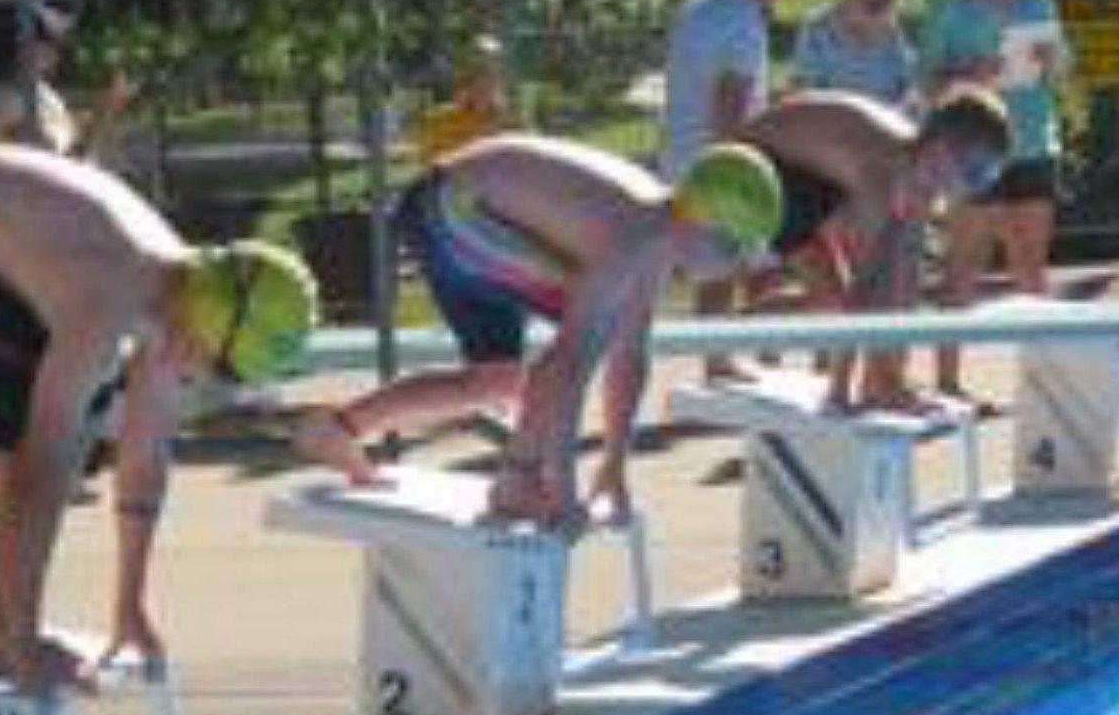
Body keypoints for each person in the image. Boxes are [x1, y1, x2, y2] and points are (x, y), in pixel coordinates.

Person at [0, 145, 317, 695]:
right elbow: (42, 461)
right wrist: (25, 643)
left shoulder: (182, 291)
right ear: (210, 320)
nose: (205, 374)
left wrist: (129, 606)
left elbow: (143, 453)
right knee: (50, 440)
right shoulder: (107, 292)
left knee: (72, 443)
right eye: (220, 363)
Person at [290, 133, 781, 531]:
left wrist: (613, 466)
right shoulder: (636, 238)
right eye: (733, 250)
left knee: (497, 380)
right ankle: (519, 478)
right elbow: (569, 370)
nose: (735, 268)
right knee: (575, 347)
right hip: (455, 212)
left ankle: (337, 429)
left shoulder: (656, 226)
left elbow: (630, 362)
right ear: (704, 223)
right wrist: (565, 495)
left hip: (454, 205)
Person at [733, 87, 1011, 410]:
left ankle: (881, 382)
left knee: (895, 273)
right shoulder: (879, 175)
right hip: (756, 164)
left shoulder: (919, 167)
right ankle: (727, 331)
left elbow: (905, 281)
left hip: (810, 165)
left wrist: (892, 379)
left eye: (986, 176)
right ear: (939, 150)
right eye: (975, 172)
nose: (971, 187)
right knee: (836, 294)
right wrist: (839, 393)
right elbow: (863, 292)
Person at [917, 0, 1073, 398]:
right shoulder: (948, 8)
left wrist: (1052, 62)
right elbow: (926, 82)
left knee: (1031, 266)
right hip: (971, 151)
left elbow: (1062, 71)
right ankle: (947, 383)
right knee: (964, 266)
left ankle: (1044, 382)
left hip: (1032, 142)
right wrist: (970, 75)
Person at [662, 0, 795, 378]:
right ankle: (759, 355)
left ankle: (720, 359)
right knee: (761, 260)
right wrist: (739, 170)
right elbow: (730, 100)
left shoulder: (695, 9)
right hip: (722, 155)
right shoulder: (742, 21)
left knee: (713, 269)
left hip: (681, 156)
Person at [0, 0, 133, 165]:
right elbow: (60, 164)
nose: (55, 52)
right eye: (47, 40)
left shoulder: (41, 94)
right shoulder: (7, 97)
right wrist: (105, 111)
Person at [790, 0, 915, 107]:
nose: (881, 5)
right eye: (870, 1)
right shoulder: (818, 28)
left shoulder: (897, 34)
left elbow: (907, 87)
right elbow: (804, 86)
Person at [410, 34, 512, 166]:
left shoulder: (507, 123)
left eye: (490, 78)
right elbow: (428, 163)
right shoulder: (439, 120)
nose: (483, 88)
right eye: (477, 77)